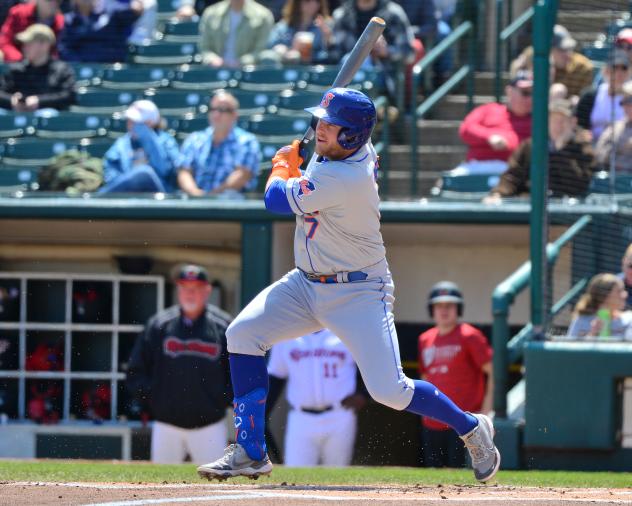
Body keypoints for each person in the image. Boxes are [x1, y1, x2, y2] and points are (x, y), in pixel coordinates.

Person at [196, 87, 500, 483]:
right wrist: (317, 142)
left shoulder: (348, 176)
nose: (321, 130)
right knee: (242, 334)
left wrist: (283, 164)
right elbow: (326, 149)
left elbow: (273, 200)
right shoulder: (340, 151)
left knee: (389, 391)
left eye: (332, 125)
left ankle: (470, 427)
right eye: (320, 122)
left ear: (354, 135)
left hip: (357, 291)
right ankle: (250, 451)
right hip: (305, 283)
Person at [126, 264, 233, 464]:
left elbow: (236, 374)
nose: (190, 294)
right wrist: (155, 401)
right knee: (161, 485)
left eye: (196, 288)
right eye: (185, 287)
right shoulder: (159, 325)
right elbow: (136, 371)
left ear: (207, 291)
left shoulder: (223, 326)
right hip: (167, 426)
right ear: (178, 290)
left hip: (210, 426)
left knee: (215, 488)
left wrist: (220, 399)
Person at [418, 281, 493, 469]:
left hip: (463, 422)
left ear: (458, 309)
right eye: (439, 306)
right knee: (431, 474)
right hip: (432, 421)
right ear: (431, 309)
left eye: (449, 305)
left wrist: (486, 410)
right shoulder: (424, 339)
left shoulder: (470, 336)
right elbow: (425, 378)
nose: (444, 310)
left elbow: (493, 373)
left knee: (460, 475)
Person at [266, 328, 367, 467]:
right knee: (296, 474)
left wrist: (363, 394)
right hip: (301, 417)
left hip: (339, 414)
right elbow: (276, 377)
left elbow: (367, 367)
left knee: (338, 476)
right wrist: (262, 413)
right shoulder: (286, 334)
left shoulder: (345, 329)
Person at [485, 99, 595, 201]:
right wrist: (499, 193)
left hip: (567, 206)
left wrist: (561, 150)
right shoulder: (531, 145)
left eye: (562, 121)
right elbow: (513, 175)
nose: (557, 126)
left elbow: (580, 185)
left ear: (573, 122)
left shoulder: (583, 148)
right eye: (553, 120)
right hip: (532, 202)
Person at [178, 91, 261, 196]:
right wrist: (195, 194)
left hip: (231, 205)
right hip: (194, 201)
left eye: (223, 110)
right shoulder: (195, 139)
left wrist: (211, 198)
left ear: (234, 115)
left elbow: (242, 175)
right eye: (213, 109)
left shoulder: (246, 141)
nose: (216, 114)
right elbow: (184, 172)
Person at [329, 0, 415, 98]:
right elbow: (335, 56)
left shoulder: (393, 13)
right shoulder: (342, 14)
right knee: (347, 60)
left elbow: (409, 54)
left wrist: (386, 51)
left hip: (383, 78)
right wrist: (328, 41)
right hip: (345, 77)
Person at [456, 70, 533, 175]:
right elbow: (466, 129)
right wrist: (490, 137)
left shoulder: (538, 121)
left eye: (533, 93)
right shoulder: (489, 109)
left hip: (514, 174)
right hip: (477, 167)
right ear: (509, 91)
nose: (530, 99)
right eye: (525, 93)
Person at [100, 100, 180, 193]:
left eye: (135, 122)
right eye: (129, 121)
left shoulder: (166, 141)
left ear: (150, 122)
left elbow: (166, 171)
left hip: (160, 197)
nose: (130, 125)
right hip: (127, 197)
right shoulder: (122, 143)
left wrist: (147, 139)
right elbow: (111, 172)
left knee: (144, 173)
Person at [0, 24, 75, 112]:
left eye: (29, 43)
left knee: (48, 114)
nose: (24, 47)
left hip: (46, 119)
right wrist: (11, 100)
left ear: (44, 45)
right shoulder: (16, 69)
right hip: (15, 114)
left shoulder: (61, 70)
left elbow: (68, 95)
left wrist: (39, 101)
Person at [510, 24, 593, 99]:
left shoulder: (583, 67)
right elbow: (516, 69)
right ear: (548, 50)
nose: (568, 55)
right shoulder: (535, 56)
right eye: (562, 50)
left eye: (569, 48)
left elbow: (584, 103)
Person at [58, 0, 143, 63]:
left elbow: (136, 11)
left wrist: (138, 4)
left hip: (110, 71)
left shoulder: (112, 12)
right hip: (81, 72)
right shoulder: (68, 21)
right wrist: (81, 65)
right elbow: (64, 49)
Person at [575, 50, 631, 144]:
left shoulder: (630, 97)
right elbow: (580, 124)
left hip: (623, 150)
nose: (619, 73)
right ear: (605, 70)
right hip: (590, 148)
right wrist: (584, 134)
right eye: (614, 68)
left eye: (623, 68)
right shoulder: (590, 95)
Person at [198, 0, 274, 67]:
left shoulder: (263, 16)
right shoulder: (211, 13)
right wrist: (213, 60)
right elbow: (204, 47)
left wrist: (243, 62)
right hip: (216, 70)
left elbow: (261, 49)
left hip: (247, 71)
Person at [566, 273, 632, 340]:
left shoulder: (629, 319)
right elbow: (568, 349)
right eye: (619, 291)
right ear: (604, 296)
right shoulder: (581, 321)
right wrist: (592, 334)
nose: (625, 294)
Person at [265, 0, 332, 64]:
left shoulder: (325, 26)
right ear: (297, 3)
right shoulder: (283, 27)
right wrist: (283, 50)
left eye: (317, 1)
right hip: (285, 69)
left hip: (313, 69)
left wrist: (328, 40)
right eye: (307, 0)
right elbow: (270, 47)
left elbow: (329, 56)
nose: (313, 4)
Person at [0, 0, 64, 63]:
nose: (53, 3)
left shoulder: (62, 22)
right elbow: (4, 41)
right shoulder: (19, 13)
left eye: (57, 1)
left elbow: (58, 51)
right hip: (16, 64)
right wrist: (20, 60)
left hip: (46, 66)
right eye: (48, 0)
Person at [595, 80, 632, 173]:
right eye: (623, 102)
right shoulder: (614, 128)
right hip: (615, 181)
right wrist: (622, 148)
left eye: (630, 101)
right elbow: (599, 156)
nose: (625, 106)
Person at [618, 244, 632, 310]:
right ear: (623, 262)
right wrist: (608, 320)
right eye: (631, 266)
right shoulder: (610, 286)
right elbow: (600, 309)